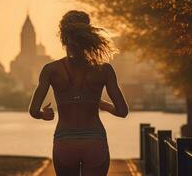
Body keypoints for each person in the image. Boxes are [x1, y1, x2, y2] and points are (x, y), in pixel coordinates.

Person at [28, 10, 129, 176]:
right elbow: (122, 111)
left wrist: (42, 114)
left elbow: (33, 111)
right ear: (88, 35)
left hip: (64, 140)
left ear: (63, 37)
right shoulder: (104, 70)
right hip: (95, 140)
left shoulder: (50, 70)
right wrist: (100, 103)